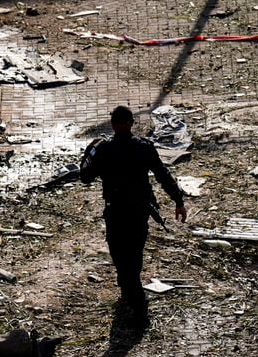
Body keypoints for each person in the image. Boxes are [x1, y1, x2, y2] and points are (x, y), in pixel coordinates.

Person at [80, 105, 187, 326]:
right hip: (138, 211)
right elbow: (163, 175)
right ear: (131, 123)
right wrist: (178, 201)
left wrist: (89, 152)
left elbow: (85, 177)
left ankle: (137, 306)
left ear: (113, 124)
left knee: (120, 254)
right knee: (134, 254)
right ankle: (130, 292)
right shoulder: (143, 147)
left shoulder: (103, 149)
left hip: (117, 211)